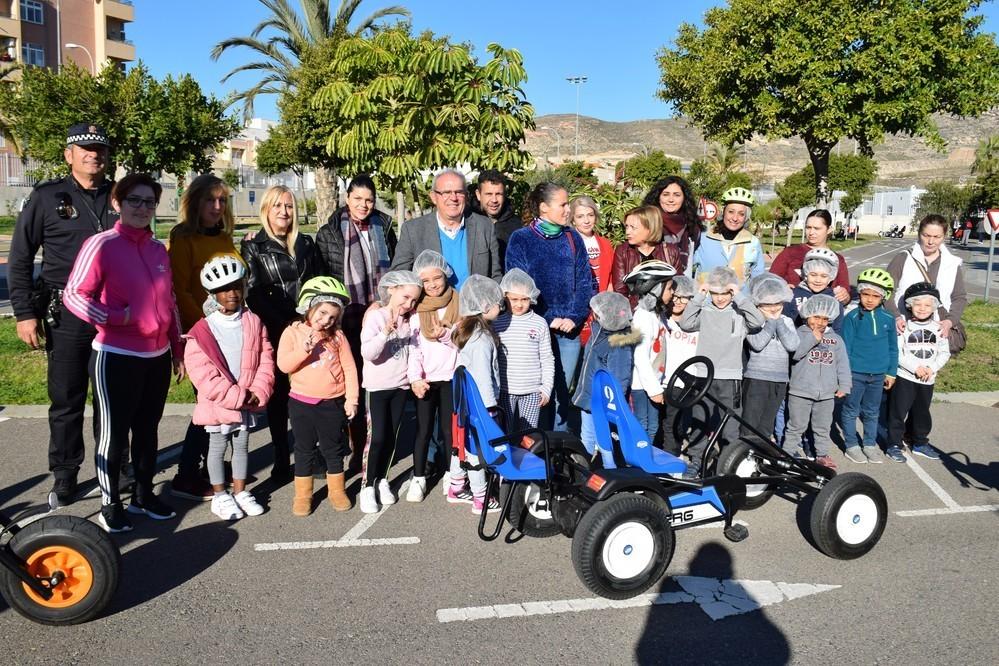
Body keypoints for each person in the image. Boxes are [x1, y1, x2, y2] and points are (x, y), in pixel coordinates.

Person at [62, 173, 184, 533]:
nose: (143, 208)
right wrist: (117, 317)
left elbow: (170, 302)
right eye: (135, 200)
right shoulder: (101, 244)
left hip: (156, 356)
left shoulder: (157, 249)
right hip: (115, 354)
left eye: (150, 202)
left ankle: (143, 495)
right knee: (113, 433)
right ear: (117, 203)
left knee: (148, 431)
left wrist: (176, 347)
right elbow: (73, 295)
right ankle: (110, 501)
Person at [7, 122, 118, 506]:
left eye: (100, 148)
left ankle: (114, 467)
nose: (94, 154)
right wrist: (24, 312)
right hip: (67, 313)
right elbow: (21, 258)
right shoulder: (46, 197)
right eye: (85, 148)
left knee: (111, 396)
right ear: (69, 154)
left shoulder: (120, 198)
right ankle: (66, 474)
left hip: (113, 313)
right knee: (68, 398)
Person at [241, 185, 327, 481]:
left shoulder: (306, 243)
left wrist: (311, 320)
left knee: (312, 392)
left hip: (309, 328)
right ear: (266, 209)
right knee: (279, 399)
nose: (284, 212)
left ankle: (312, 454)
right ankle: (280, 458)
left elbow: (318, 282)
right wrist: (288, 323)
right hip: (277, 330)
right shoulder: (255, 245)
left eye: (289, 206)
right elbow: (253, 293)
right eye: (277, 206)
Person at [315, 174, 397, 471]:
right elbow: (323, 275)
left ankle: (374, 444)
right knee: (348, 382)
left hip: (378, 314)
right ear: (347, 198)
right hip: (345, 318)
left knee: (374, 383)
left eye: (369, 200)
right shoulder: (329, 232)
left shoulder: (384, 227)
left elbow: (395, 269)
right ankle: (350, 446)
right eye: (358, 199)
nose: (364, 205)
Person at [183, 255, 274, 521]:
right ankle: (220, 494)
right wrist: (236, 396)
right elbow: (203, 374)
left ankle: (240, 491)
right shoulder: (202, 331)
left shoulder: (253, 321)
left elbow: (265, 356)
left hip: (248, 397)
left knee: (242, 445)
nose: (231, 293)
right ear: (213, 294)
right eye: (223, 289)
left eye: (236, 286)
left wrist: (259, 389)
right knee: (217, 446)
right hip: (220, 403)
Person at [168, 174, 238, 501]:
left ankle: (210, 467)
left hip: (229, 331)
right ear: (195, 202)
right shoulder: (183, 239)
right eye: (210, 200)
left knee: (221, 403)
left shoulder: (224, 238)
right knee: (207, 405)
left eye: (222, 200)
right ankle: (185, 474)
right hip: (203, 335)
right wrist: (207, 328)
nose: (217, 206)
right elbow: (180, 290)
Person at [505, 182, 594, 433]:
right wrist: (548, 317)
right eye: (563, 204)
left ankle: (558, 454)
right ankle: (533, 448)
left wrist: (574, 317)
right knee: (536, 392)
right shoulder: (521, 239)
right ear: (544, 208)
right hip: (533, 328)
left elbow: (585, 281)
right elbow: (517, 285)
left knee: (562, 395)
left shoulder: (572, 237)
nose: (568, 209)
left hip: (568, 332)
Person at [277, 277, 359, 515]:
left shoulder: (338, 337)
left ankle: (337, 491)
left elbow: (350, 369)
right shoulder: (292, 333)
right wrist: (304, 349)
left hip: (331, 403)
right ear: (309, 307)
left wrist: (352, 400)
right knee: (304, 449)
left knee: (332, 449)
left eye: (332, 317)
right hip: (301, 403)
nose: (326, 320)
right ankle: (303, 495)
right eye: (322, 313)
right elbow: (284, 366)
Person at [678, 266, 765, 478]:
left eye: (724, 293)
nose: (719, 299)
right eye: (715, 293)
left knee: (730, 426)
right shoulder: (705, 310)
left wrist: (740, 296)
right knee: (700, 419)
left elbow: (759, 321)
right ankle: (697, 461)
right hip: (703, 376)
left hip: (730, 377)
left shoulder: (739, 312)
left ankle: (728, 463)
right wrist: (700, 295)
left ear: (732, 292)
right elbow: (685, 323)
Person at [359, 271, 422, 514]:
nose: (409, 304)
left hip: (400, 386)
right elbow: (368, 353)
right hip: (377, 387)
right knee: (377, 438)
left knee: (392, 438)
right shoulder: (376, 316)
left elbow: (414, 351)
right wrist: (386, 331)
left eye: (414, 301)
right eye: (405, 297)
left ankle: (382, 479)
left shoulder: (410, 320)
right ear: (392, 290)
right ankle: (367, 485)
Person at [407, 250, 461, 502]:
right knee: (423, 429)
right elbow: (414, 348)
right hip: (426, 379)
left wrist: (446, 335)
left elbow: (464, 343)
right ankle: (418, 477)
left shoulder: (458, 303)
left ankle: (452, 474)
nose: (432, 285)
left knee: (450, 430)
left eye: (436, 278)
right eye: (425, 281)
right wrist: (414, 377)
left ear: (446, 275)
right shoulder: (417, 310)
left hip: (450, 377)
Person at [450, 275, 504, 514]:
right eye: (498, 303)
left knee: (460, 444)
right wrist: (490, 408)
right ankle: (481, 498)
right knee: (477, 451)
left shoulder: (468, 331)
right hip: (480, 406)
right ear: (485, 306)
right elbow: (483, 377)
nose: (501, 307)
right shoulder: (481, 339)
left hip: (465, 404)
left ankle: (456, 485)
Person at [391, 169, 501, 285]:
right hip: (431, 303)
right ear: (433, 197)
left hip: (476, 302)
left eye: (459, 192)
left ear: (466, 196)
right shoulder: (413, 230)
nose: (453, 198)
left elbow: (495, 276)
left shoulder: (484, 226)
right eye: (446, 192)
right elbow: (399, 277)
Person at [572, 292, 641, 468]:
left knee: (606, 443)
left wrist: (611, 405)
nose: (592, 314)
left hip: (603, 404)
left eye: (596, 311)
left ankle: (611, 473)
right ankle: (584, 472)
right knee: (587, 438)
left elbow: (619, 379)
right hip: (589, 399)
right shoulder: (598, 332)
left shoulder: (619, 343)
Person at [885, 282, 951, 463]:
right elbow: (898, 352)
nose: (922, 309)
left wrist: (931, 368)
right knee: (898, 411)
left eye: (927, 305)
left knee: (922, 412)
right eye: (918, 304)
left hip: (928, 379)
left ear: (934, 307)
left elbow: (945, 352)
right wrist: (916, 368)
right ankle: (894, 444)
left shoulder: (938, 328)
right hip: (906, 377)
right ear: (909, 305)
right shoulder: (903, 327)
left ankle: (920, 442)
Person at [784, 295, 852, 469]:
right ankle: (787, 453)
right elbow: (796, 354)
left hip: (827, 394)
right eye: (816, 317)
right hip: (800, 391)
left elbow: (842, 363)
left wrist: (844, 385)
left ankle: (821, 454)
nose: (820, 322)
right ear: (807, 315)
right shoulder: (799, 333)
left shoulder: (836, 339)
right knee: (796, 426)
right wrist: (813, 338)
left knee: (822, 427)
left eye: (824, 318)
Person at [885, 214, 968, 355]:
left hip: (937, 331)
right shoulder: (903, 258)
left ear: (944, 237)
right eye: (926, 235)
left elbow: (959, 297)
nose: (931, 241)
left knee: (929, 373)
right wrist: (895, 316)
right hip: (904, 329)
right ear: (919, 234)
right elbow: (886, 291)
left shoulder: (952, 264)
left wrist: (949, 322)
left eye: (937, 237)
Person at [840, 268, 897, 464]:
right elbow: (845, 348)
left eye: (875, 295)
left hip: (879, 374)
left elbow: (893, 348)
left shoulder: (889, 319)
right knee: (850, 409)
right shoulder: (853, 317)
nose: (870, 299)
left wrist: (891, 373)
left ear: (884, 296)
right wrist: (843, 376)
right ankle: (851, 445)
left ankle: (870, 444)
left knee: (872, 411)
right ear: (860, 294)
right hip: (856, 373)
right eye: (865, 294)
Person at [494, 268, 555, 432]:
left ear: (532, 298)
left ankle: (526, 458)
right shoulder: (497, 323)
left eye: (524, 299)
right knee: (504, 433)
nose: (519, 304)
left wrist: (546, 388)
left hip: (532, 391)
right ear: (505, 297)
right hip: (505, 390)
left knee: (528, 435)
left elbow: (547, 358)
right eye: (514, 299)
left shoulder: (539, 323)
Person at [740, 274, 797, 447]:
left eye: (777, 304)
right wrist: (771, 323)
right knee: (750, 421)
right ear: (757, 304)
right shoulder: (753, 321)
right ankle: (744, 453)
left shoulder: (786, 321)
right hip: (756, 379)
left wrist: (779, 322)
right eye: (767, 304)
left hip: (779, 379)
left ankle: (761, 454)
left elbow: (792, 345)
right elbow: (757, 344)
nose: (773, 308)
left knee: (767, 423)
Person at [624, 261, 677, 445]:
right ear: (655, 289)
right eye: (669, 288)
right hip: (642, 385)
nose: (673, 293)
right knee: (643, 424)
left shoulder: (657, 315)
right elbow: (640, 356)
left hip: (654, 382)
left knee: (653, 426)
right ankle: (638, 465)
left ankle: (644, 464)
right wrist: (653, 389)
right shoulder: (643, 318)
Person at [769, 209, 851, 304]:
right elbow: (770, 282)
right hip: (792, 313)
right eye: (808, 227)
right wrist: (782, 289)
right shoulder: (790, 252)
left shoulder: (837, 259)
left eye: (817, 228)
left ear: (829, 229)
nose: (811, 232)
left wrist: (844, 296)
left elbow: (846, 295)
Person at [691, 187, 765, 288]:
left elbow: (758, 279)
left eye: (741, 214)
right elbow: (686, 269)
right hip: (706, 302)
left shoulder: (753, 242)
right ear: (723, 212)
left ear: (746, 217)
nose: (735, 218)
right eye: (731, 212)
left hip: (740, 302)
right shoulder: (704, 238)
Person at [611, 204, 681, 308]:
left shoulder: (671, 252)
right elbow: (620, 290)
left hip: (663, 314)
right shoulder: (623, 251)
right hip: (634, 314)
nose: (627, 232)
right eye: (626, 226)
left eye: (633, 227)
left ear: (650, 228)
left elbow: (677, 285)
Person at [660, 275, 700, 455]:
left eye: (684, 297)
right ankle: (667, 459)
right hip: (663, 381)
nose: (678, 302)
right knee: (664, 424)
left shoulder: (697, 324)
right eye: (675, 296)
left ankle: (672, 459)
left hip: (686, 382)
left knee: (676, 424)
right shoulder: (662, 319)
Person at [643, 176, 702, 274]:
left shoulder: (693, 227)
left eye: (677, 195)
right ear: (658, 197)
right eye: (666, 194)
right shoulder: (647, 222)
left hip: (682, 284)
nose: (671, 199)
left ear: (684, 198)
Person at [784, 247, 845, 332]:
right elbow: (784, 323)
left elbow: (837, 329)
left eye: (823, 276)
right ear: (805, 273)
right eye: (813, 275)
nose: (818, 280)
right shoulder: (793, 295)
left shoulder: (834, 299)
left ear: (831, 276)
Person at [471, 170, 521, 270]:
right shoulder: (467, 223)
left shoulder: (518, 227)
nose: (494, 200)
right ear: (478, 195)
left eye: (498, 194)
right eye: (489, 194)